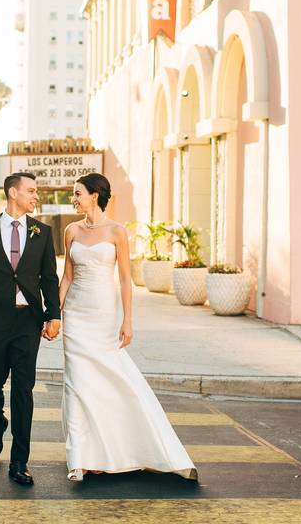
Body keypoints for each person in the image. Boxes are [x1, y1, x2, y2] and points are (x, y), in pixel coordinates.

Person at [60, 172, 197, 482]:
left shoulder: (117, 232)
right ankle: (79, 458)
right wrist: (54, 315)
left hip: (104, 315)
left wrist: (128, 320)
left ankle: (123, 445)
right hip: (76, 316)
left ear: (94, 195)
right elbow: (66, 277)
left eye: (78, 193)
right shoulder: (71, 231)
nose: (74, 198)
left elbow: (124, 279)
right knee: (77, 383)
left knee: (110, 380)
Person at [0, 172, 61, 486]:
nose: (36, 196)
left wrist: (53, 314)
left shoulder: (42, 232)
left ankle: (20, 462)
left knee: (23, 391)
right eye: (31, 190)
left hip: (26, 323)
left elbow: (49, 278)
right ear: (13, 193)